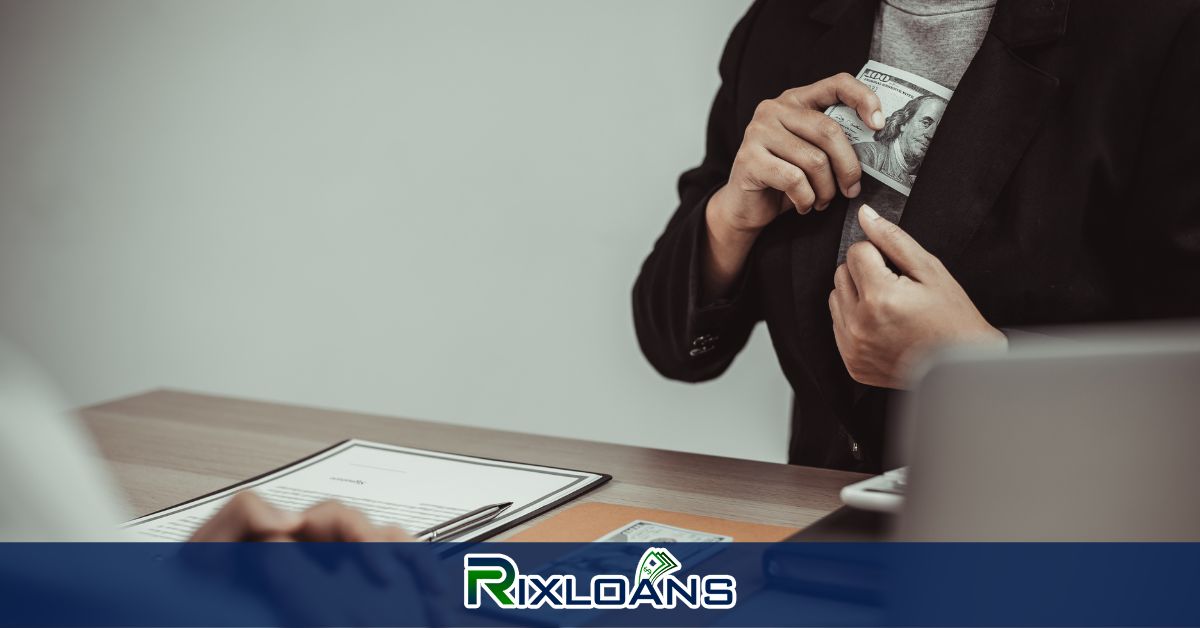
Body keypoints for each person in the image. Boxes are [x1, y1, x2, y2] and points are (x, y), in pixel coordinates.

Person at [633, 0, 1200, 471]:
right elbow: (673, 348)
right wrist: (732, 218)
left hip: (1064, 552)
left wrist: (978, 368)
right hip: (822, 546)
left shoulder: (1164, 29)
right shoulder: (780, 23)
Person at [853, 94, 946, 190]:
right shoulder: (867, 154)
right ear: (904, 123)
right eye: (925, 123)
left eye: (938, 130)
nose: (930, 135)